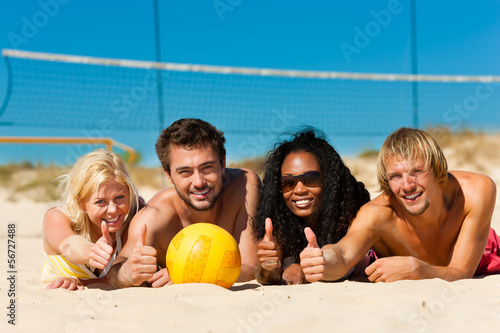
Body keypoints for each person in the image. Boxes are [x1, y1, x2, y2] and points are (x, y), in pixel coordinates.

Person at [300, 127, 500, 283]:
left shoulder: (474, 191)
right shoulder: (378, 214)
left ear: (436, 168)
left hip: (484, 250)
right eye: (396, 176)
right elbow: (343, 254)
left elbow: (462, 272)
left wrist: (420, 270)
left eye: (417, 171)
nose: (407, 185)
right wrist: (322, 259)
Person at [108, 118, 261, 288]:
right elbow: (117, 268)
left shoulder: (244, 185)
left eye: (207, 167)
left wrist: (188, 275)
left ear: (223, 163)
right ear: (168, 174)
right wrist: (126, 273)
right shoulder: (155, 216)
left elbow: (251, 267)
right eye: (185, 172)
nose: (198, 182)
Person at [252, 128, 371, 285]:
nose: (299, 189)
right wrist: (267, 267)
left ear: (328, 180)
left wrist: (303, 270)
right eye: (288, 183)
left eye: (311, 179)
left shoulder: (354, 215)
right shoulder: (279, 223)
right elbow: (266, 276)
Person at [42, 149, 143, 290]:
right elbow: (68, 246)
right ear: (81, 203)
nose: (113, 209)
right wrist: (90, 251)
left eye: (120, 197)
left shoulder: (136, 212)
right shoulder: (57, 217)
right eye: (101, 201)